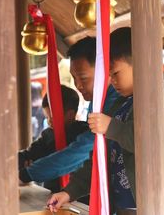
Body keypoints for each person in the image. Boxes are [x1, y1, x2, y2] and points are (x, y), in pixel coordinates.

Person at [48, 27, 164, 214]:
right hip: (123, 207)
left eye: (115, 73)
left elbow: (162, 145)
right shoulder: (120, 105)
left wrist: (112, 128)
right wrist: (69, 192)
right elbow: (100, 159)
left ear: (139, 63)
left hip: (156, 208)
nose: (112, 80)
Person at [19, 37, 120, 189]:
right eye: (74, 78)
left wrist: (27, 174)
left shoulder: (116, 102)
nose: (77, 85)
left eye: (83, 78)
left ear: (106, 70)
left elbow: (84, 149)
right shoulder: (97, 100)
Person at [18, 85, 89, 192]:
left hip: (79, 196)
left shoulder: (83, 133)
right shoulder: (48, 135)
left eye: (52, 117)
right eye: (46, 117)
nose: (49, 122)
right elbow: (30, 154)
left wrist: (27, 174)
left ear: (70, 114)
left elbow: (67, 158)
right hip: (51, 192)